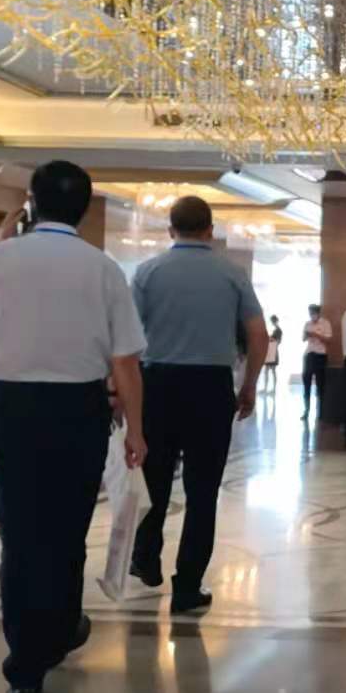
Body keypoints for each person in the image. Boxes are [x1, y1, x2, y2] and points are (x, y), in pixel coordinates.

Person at [0, 161, 147, 693]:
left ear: (33, 203)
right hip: (76, 407)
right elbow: (126, 361)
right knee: (66, 530)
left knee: (19, 532)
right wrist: (136, 430)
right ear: (83, 209)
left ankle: (25, 668)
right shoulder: (102, 269)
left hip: (9, 404)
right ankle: (59, 630)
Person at [127, 196, 265, 614]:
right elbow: (258, 335)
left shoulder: (147, 272)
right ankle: (187, 586)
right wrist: (249, 385)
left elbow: (127, 339)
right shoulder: (232, 273)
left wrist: (126, 395)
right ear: (210, 230)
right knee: (203, 491)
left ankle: (145, 557)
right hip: (210, 387)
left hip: (157, 384)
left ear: (171, 230)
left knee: (154, 480)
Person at [301, 304, 332, 422]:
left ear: (318, 313)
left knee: (320, 384)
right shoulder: (307, 324)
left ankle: (320, 412)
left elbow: (329, 340)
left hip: (320, 355)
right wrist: (306, 334)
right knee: (306, 383)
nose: (312, 315)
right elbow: (303, 339)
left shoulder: (325, 323)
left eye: (313, 313)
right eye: (310, 313)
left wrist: (316, 335)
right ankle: (306, 411)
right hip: (309, 354)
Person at [263, 315, 283, 395]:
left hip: (273, 351)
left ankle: (273, 390)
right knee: (267, 370)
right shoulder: (276, 330)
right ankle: (266, 388)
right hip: (271, 350)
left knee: (272, 371)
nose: (272, 322)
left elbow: (278, 341)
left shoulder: (278, 330)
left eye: (273, 321)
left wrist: (269, 338)